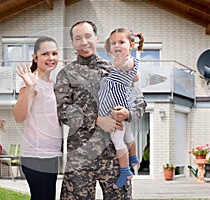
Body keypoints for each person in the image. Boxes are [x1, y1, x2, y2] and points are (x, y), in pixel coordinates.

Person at [54, 21, 146, 199]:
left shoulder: (117, 68)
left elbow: (139, 101)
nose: (84, 42)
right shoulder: (66, 74)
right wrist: (96, 120)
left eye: (88, 36)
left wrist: (128, 113)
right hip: (80, 157)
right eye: (78, 38)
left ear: (96, 38)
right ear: (73, 43)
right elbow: (62, 110)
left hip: (114, 156)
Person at [13, 36, 62, 200]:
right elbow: (19, 116)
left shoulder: (54, 84)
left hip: (51, 154)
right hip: (35, 156)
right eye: (45, 54)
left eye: (54, 53)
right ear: (35, 57)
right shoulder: (32, 82)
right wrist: (29, 87)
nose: (51, 58)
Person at [99, 28, 144, 188]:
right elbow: (136, 76)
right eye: (114, 43)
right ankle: (133, 157)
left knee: (117, 140)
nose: (117, 46)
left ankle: (125, 171)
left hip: (117, 110)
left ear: (130, 45)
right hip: (120, 105)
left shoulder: (126, 61)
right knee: (128, 134)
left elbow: (127, 65)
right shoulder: (124, 64)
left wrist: (119, 60)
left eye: (121, 42)